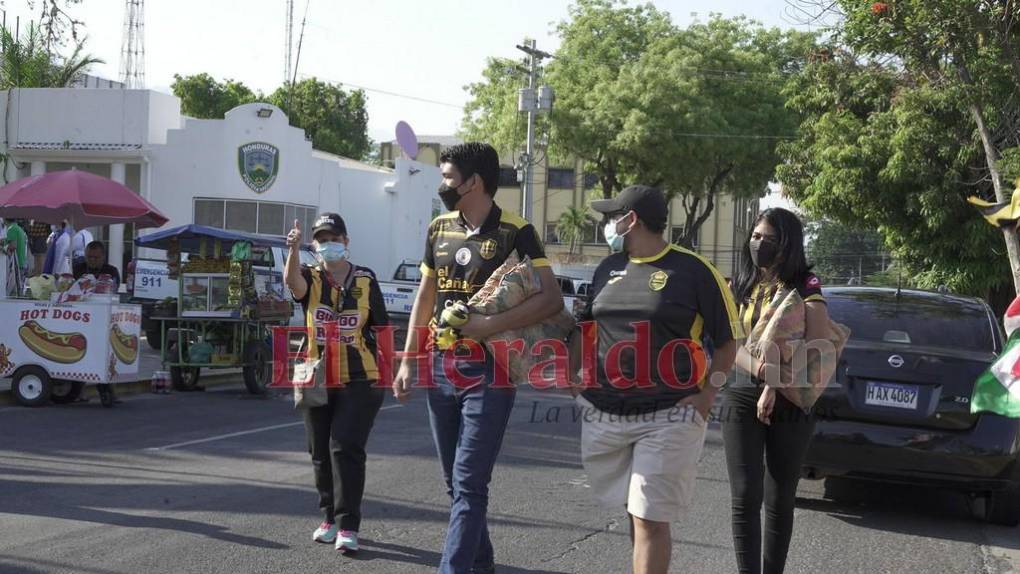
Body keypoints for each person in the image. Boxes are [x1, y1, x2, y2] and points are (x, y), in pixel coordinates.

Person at [391, 142, 563, 574]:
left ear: (475, 182)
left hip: (491, 369)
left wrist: (486, 327)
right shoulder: (438, 228)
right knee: (455, 484)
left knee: (469, 484)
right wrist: (409, 359)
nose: (443, 185)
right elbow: (425, 296)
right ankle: (481, 565)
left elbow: (552, 299)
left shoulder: (516, 230)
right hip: (440, 365)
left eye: (448, 177)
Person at [570, 185, 741, 574]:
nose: (608, 223)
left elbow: (729, 342)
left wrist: (706, 395)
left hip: (670, 412)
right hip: (608, 411)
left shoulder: (694, 271)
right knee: (635, 512)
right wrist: (572, 374)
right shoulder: (607, 268)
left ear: (632, 220)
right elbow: (585, 325)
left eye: (614, 215)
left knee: (649, 516)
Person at [724, 207, 830, 574]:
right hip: (741, 389)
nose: (759, 244)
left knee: (779, 495)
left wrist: (775, 385)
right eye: (755, 236)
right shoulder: (741, 283)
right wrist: (761, 371)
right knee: (744, 493)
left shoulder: (806, 285)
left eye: (768, 239)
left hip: (792, 395)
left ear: (787, 244)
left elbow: (817, 344)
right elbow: (727, 344)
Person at [285, 212, 390, 555]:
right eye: (320, 239)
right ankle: (328, 517)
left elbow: (382, 328)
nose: (326, 244)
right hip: (318, 378)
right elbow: (293, 286)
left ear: (346, 242)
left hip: (361, 378)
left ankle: (348, 525)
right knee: (319, 451)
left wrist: (390, 373)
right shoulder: (310, 277)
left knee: (345, 448)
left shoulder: (366, 280)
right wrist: (292, 250)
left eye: (333, 238)